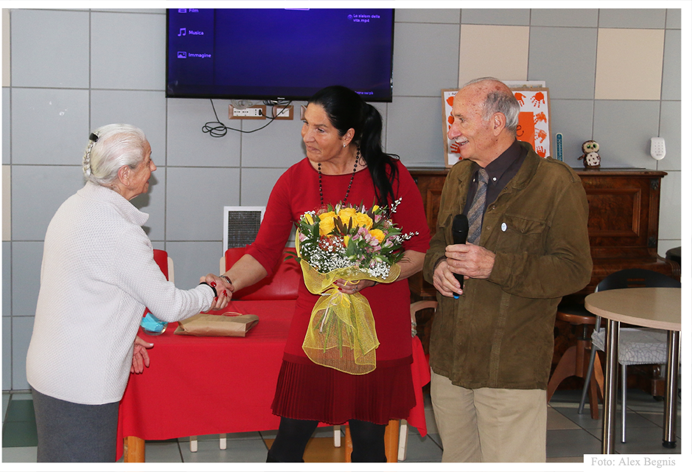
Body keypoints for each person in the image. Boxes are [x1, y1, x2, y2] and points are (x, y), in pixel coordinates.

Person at [219, 85, 430, 462]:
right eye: (305, 125)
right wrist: (227, 281)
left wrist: (375, 274)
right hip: (315, 324)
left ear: (349, 135)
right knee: (287, 442)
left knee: (368, 444)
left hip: (378, 325)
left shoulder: (390, 176)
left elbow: (418, 252)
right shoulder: (293, 180)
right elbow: (264, 253)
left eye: (320, 129)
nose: (307, 137)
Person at [26, 124, 231, 462]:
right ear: (124, 173)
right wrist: (211, 290)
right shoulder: (118, 232)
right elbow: (169, 305)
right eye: (148, 161)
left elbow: (80, 292)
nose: (153, 168)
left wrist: (123, 336)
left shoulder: (74, 207)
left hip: (52, 370)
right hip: (80, 382)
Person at [422, 78, 592, 462]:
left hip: (510, 368)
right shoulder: (458, 177)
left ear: (497, 124)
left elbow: (575, 270)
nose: (452, 131)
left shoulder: (555, 183)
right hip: (450, 363)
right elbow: (437, 243)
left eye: (461, 120)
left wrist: (497, 265)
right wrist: (436, 268)